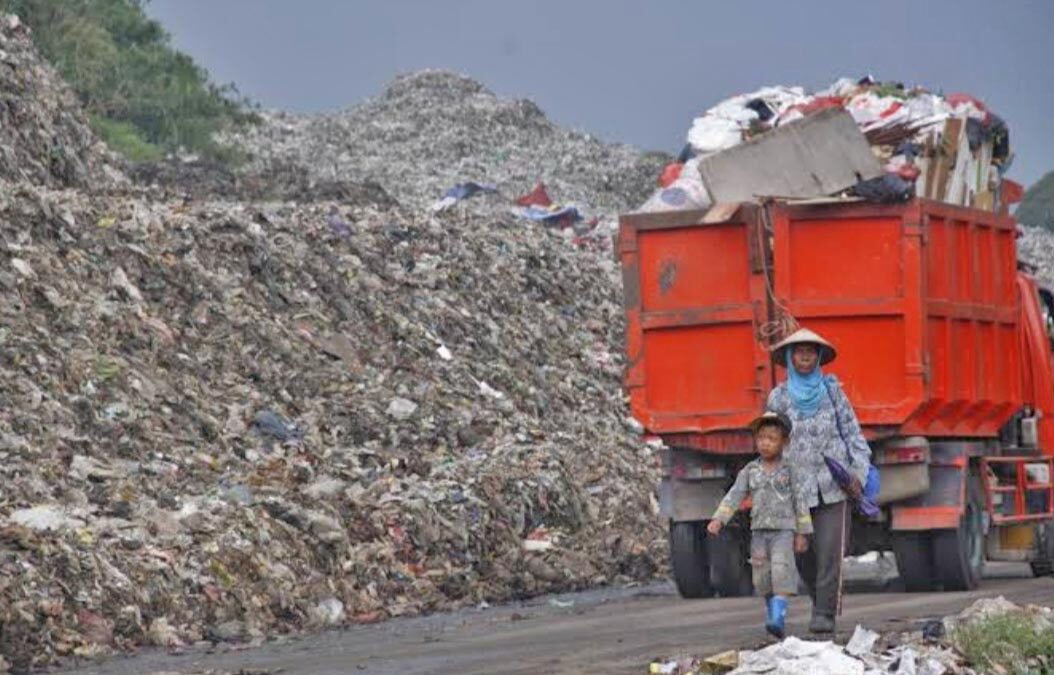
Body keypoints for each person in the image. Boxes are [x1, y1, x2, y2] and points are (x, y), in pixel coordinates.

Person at [765, 328, 871, 634]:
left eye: (811, 352)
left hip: (833, 486)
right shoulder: (778, 398)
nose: (805, 356)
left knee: (830, 552)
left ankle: (824, 613)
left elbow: (852, 434)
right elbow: (769, 443)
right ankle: (818, 598)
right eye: (799, 352)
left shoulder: (833, 392)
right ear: (790, 358)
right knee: (804, 556)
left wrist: (858, 473)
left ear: (819, 357)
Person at [707, 411, 811, 638]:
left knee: (781, 572)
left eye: (772, 439)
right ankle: (772, 612)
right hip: (758, 534)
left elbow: (801, 503)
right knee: (762, 578)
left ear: (784, 442)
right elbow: (734, 495)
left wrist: (802, 533)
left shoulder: (790, 472)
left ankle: (777, 618)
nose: (765, 443)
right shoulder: (750, 471)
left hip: (784, 531)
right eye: (761, 438)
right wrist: (719, 518)